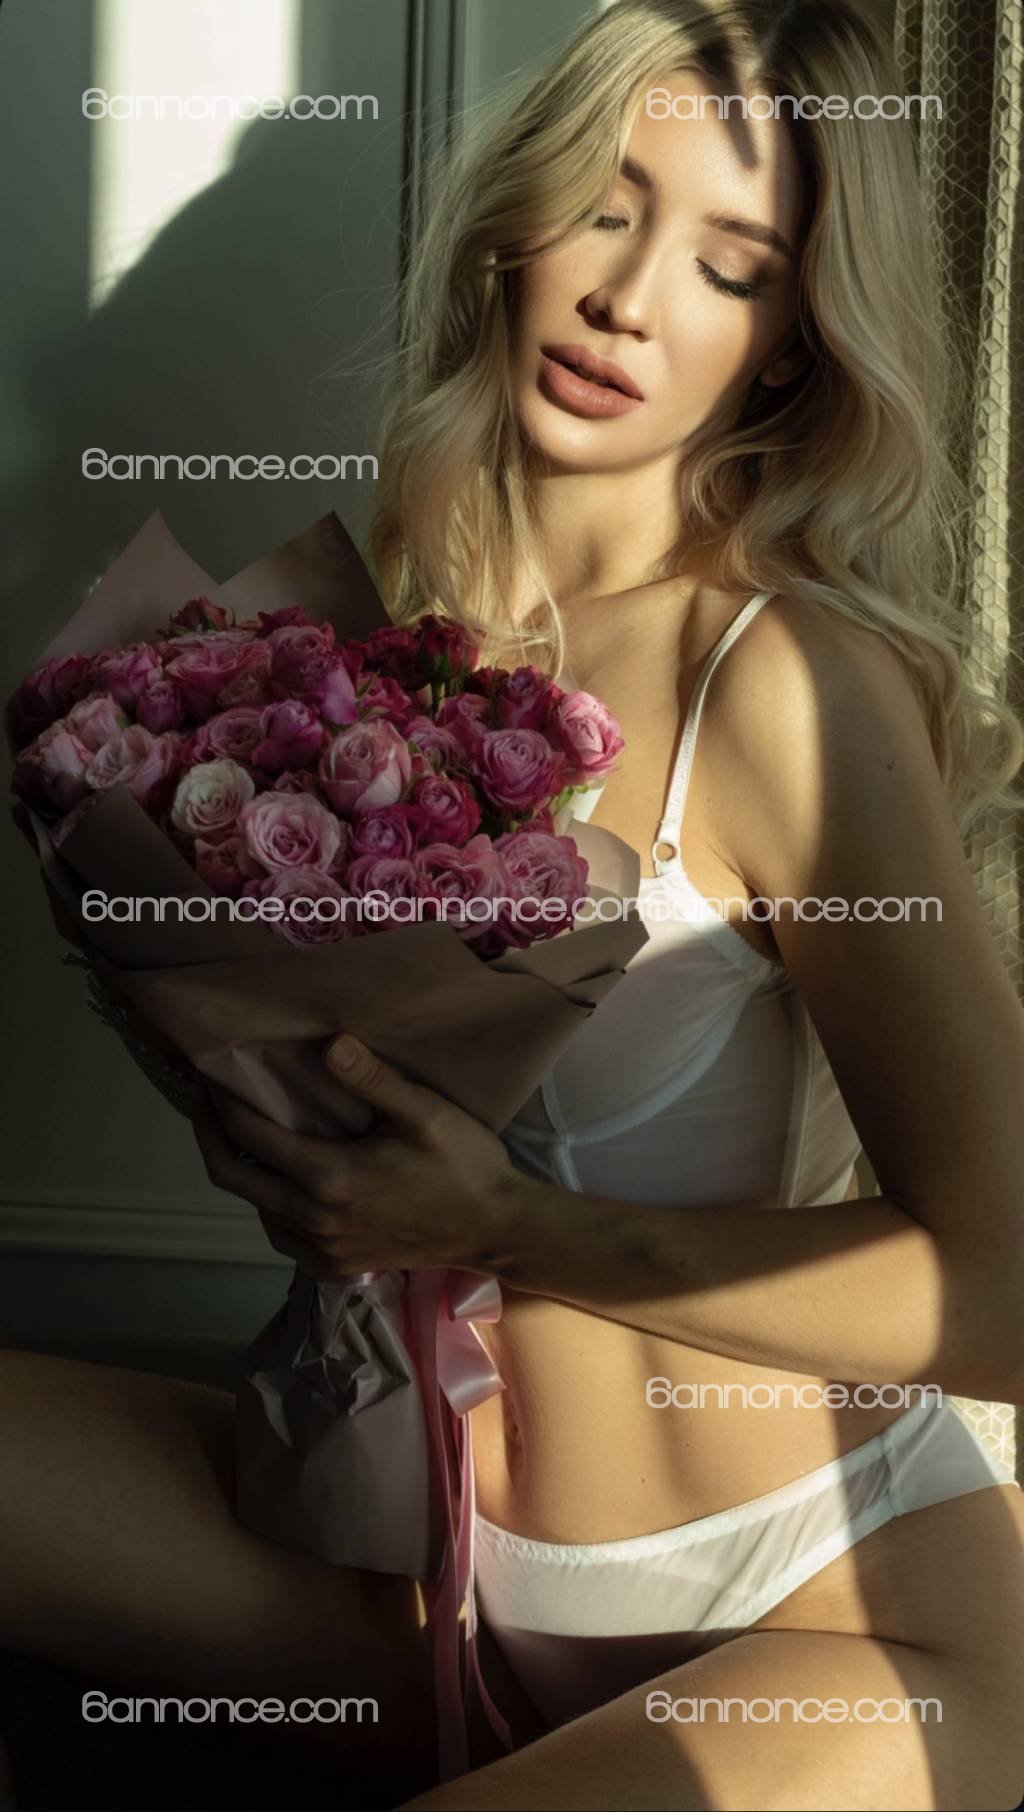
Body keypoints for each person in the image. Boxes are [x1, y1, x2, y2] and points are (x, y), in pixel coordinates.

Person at [3, 3, 1023, 1808]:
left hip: (824, 1609)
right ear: (519, 217)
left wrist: (509, 1228)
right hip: (422, 1569)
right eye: (610, 206)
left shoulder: (784, 681)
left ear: (791, 343)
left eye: (730, 264)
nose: (629, 297)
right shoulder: (416, 601)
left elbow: (1005, 1289)